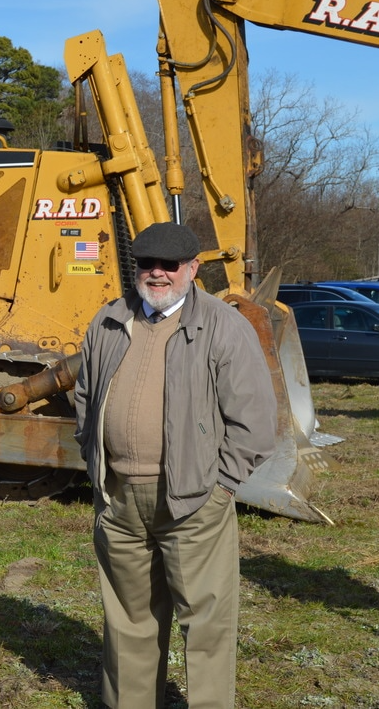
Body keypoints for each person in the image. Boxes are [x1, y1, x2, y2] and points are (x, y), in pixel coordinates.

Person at [73, 222, 277, 709]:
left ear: (192, 269)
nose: (157, 274)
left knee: (205, 621)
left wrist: (221, 487)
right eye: (148, 264)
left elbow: (255, 420)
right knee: (129, 620)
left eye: (170, 265)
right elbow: (86, 399)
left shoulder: (223, 326)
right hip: (120, 500)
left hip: (194, 500)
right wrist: (97, 467)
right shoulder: (108, 321)